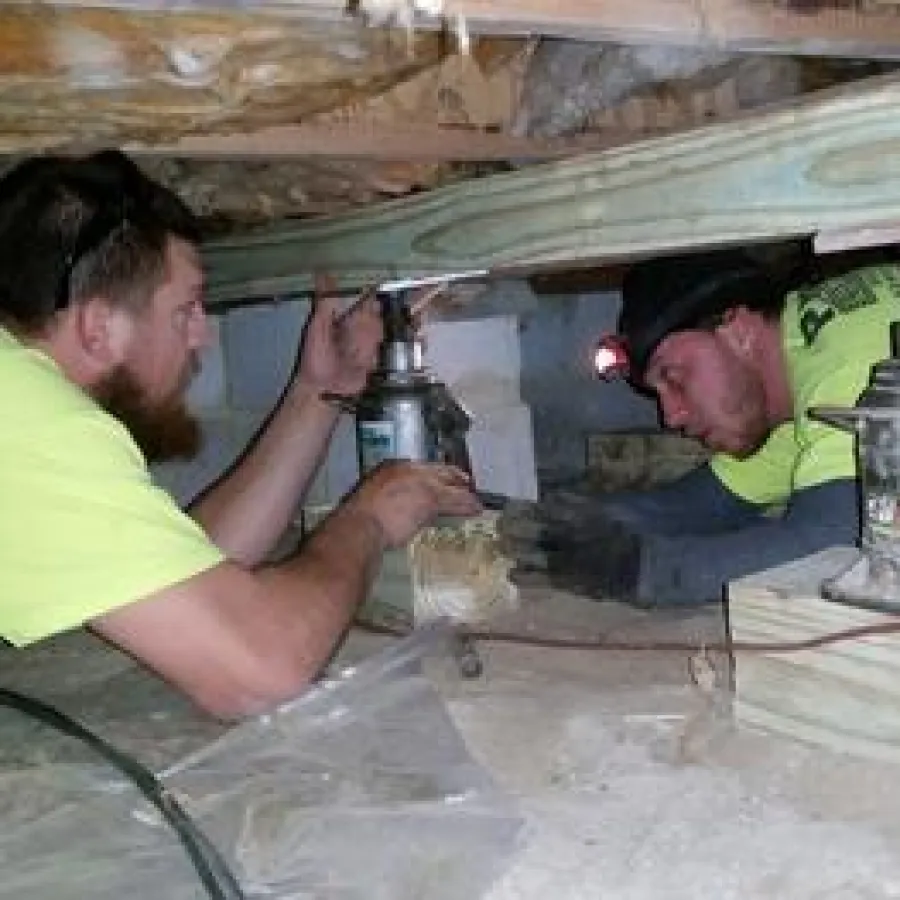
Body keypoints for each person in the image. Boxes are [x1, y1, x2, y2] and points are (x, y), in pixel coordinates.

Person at [0, 150, 480, 719]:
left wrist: (318, 391)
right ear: (100, 326)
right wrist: (369, 519)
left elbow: (188, 580)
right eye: (186, 310)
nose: (201, 336)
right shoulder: (28, 421)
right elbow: (259, 672)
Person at [539, 246, 900, 605]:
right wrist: (578, 520)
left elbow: (838, 547)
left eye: (674, 377)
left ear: (739, 331)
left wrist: (641, 572)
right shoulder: (806, 350)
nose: (671, 416)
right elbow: (710, 503)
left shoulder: (851, 355)